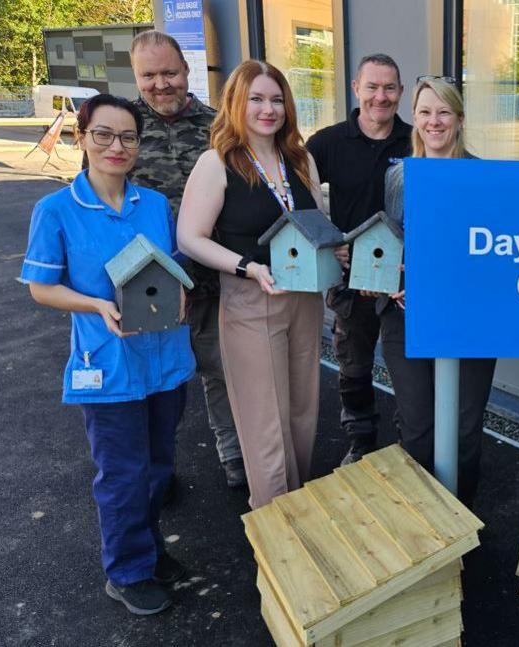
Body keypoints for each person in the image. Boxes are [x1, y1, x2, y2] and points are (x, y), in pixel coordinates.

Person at [20, 94, 195, 615]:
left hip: (165, 361)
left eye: (128, 137)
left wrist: (182, 291)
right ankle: (126, 571)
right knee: (122, 474)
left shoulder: (155, 206)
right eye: (104, 134)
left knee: (159, 466)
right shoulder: (57, 210)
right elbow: (40, 287)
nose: (116, 147)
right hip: (109, 366)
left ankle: (149, 548)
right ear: (82, 137)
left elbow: (171, 267)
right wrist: (95, 303)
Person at [177, 60, 326, 510]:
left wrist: (333, 248)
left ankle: (297, 505)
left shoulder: (300, 159)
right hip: (251, 299)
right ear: (237, 103)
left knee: (302, 411)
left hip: (303, 297)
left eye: (277, 99)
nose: (268, 109)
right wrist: (247, 267)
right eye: (257, 99)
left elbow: (317, 221)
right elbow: (189, 237)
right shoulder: (217, 163)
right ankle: (276, 521)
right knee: (265, 423)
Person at [127, 30, 245, 490]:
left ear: (187, 70)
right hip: (146, 282)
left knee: (220, 370)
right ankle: (159, 469)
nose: (161, 83)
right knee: (155, 381)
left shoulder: (219, 127)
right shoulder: (122, 128)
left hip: (209, 279)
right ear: (136, 77)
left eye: (169, 72)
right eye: (149, 75)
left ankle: (233, 453)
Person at [379, 76, 496, 507]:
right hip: (407, 318)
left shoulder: (483, 176)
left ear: (459, 120)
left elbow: (496, 250)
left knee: (465, 430)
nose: (434, 121)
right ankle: (425, 523)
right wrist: (391, 280)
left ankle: (461, 518)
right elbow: (387, 241)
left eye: (443, 112)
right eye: (425, 112)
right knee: (420, 430)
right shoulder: (398, 176)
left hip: (469, 320)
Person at [306, 53, 413, 465]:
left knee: (408, 368)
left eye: (389, 88)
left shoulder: (415, 139)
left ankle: (411, 444)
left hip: (404, 279)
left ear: (400, 92)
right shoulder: (328, 142)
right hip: (350, 278)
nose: (380, 97)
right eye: (372, 87)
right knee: (353, 366)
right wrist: (329, 241)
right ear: (356, 89)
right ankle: (362, 441)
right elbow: (298, 198)